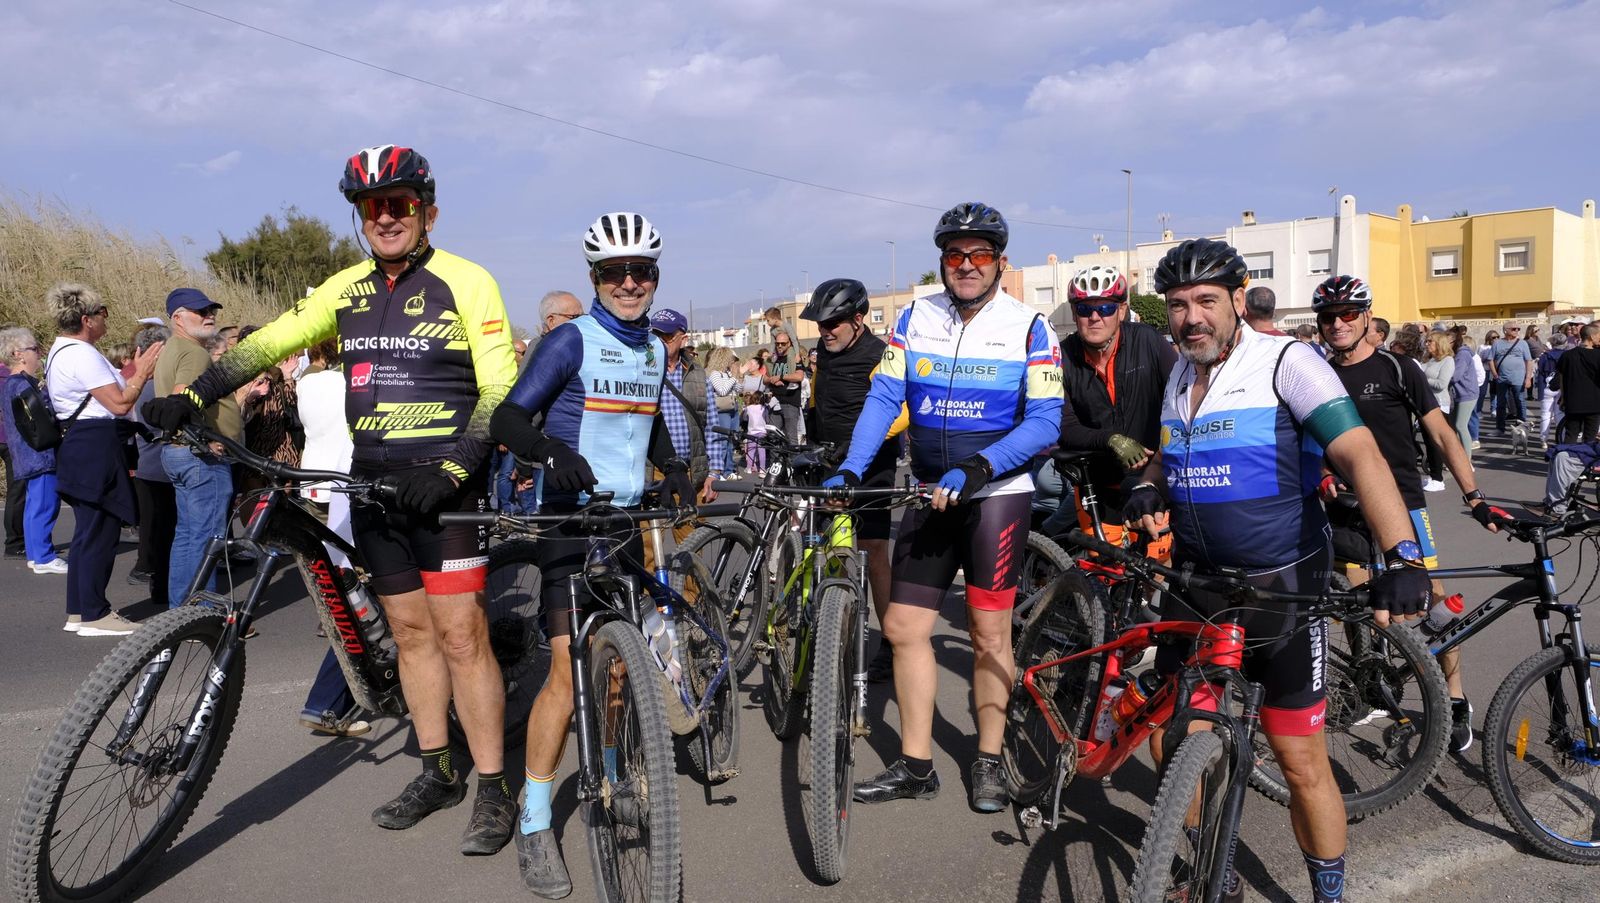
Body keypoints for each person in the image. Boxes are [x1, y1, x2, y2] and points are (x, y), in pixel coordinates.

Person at [144, 145, 520, 855]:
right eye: (372, 206)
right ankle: (438, 769)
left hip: (447, 489)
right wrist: (196, 393)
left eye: (400, 203)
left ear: (426, 211)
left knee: (462, 635)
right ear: (360, 216)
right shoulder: (343, 288)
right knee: (410, 635)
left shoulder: (468, 282)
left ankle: (494, 784)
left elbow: (498, 387)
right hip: (372, 484)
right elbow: (269, 344)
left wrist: (453, 466)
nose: (386, 216)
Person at [1125, 244, 1432, 903]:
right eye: (1177, 305)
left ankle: (1329, 894)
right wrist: (1149, 485)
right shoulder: (1180, 373)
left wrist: (1402, 553)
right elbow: (1166, 454)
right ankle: (1215, 871)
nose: (1190, 317)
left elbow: (1360, 452)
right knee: (1176, 739)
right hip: (1198, 587)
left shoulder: (1287, 363)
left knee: (1300, 762)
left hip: (1282, 592)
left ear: (1239, 300)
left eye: (1206, 301)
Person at [824, 202, 1064, 815]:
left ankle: (986, 758)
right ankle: (916, 762)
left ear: (999, 263)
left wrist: (980, 466)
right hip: (929, 491)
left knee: (988, 633)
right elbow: (884, 395)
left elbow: (1044, 421)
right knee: (904, 629)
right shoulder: (915, 316)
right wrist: (853, 465)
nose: (965, 265)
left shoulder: (1030, 327)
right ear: (942, 262)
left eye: (979, 255)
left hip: (995, 498)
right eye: (954, 255)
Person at [488, 211, 702, 898]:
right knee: (563, 672)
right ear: (596, 279)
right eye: (616, 273)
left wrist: (671, 469)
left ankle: (611, 771)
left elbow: (648, 431)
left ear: (655, 277)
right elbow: (511, 417)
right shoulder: (572, 341)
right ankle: (534, 817)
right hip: (569, 523)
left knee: (617, 668)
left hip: (622, 524)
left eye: (642, 272)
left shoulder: (655, 351)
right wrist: (554, 452)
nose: (630, 282)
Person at [1313, 273, 1505, 755]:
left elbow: (1442, 435)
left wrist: (1475, 496)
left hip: (1403, 505)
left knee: (1436, 608)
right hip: (1344, 511)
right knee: (1359, 610)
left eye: (1348, 314)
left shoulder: (1398, 369)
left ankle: (1455, 697)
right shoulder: (1315, 375)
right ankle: (1367, 687)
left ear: (1365, 317)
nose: (1337, 324)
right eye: (1328, 316)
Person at [801, 278, 906, 681]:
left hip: (873, 463)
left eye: (834, 324)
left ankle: (892, 642)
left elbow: (901, 413)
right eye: (821, 324)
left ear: (858, 320)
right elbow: (816, 399)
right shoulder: (823, 354)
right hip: (830, 462)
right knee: (826, 546)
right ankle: (832, 631)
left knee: (873, 550)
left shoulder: (880, 354)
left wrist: (854, 448)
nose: (825, 331)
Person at [47, 283, 162, 635]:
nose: (106, 321)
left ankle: (80, 610)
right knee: (102, 531)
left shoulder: (61, 350)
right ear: (86, 319)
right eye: (102, 314)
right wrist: (141, 372)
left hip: (81, 444)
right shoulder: (81, 354)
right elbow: (120, 404)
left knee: (88, 531)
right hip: (96, 444)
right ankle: (96, 613)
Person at [1051, 264, 1176, 555]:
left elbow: (1182, 396)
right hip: (1097, 484)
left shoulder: (1147, 341)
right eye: (1084, 309)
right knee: (1107, 571)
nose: (1095, 317)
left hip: (1150, 480)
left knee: (1157, 568)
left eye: (1106, 308)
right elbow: (1065, 427)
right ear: (1074, 313)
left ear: (1121, 311)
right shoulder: (1062, 358)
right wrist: (1111, 439)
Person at [296, 337, 372, 738]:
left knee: (340, 589)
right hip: (348, 489)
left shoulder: (308, 383)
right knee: (361, 598)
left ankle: (328, 698)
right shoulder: (356, 383)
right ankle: (328, 701)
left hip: (313, 485)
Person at [154, 288, 241, 610]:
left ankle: (183, 611)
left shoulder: (175, 348)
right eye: (200, 311)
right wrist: (208, 438)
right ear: (178, 317)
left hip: (181, 451)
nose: (210, 316)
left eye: (211, 310)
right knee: (207, 538)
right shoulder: (193, 352)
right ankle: (203, 612)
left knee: (190, 535)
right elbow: (182, 398)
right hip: (199, 454)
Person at [0, 327, 64, 573]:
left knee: (34, 505)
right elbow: (43, 413)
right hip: (39, 453)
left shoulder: (12, 384)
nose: (40, 353)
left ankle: (37, 554)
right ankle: (44, 557)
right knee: (44, 505)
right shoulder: (21, 384)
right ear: (18, 354)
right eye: (35, 349)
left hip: (26, 454)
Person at [649, 307, 721, 505]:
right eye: (655, 334)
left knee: (694, 534)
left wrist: (714, 473)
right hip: (653, 471)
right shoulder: (642, 371)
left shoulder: (698, 374)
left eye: (668, 335)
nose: (660, 340)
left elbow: (711, 426)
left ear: (684, 339)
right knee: (648, 535)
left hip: (691, 471)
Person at [127, 325, 175, 599]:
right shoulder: (153, 387)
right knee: (162, 532)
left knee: (157, 530)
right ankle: (161, 587)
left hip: (151, 468)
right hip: (158, 469)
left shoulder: (147, 386)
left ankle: (157, 581)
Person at [1420, 330, 1456, 491]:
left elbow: (1442, 384)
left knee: (1436, 442)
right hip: (1426, 403)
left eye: (1430, 341)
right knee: (1428, 441)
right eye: (1427, 341)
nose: (1427, 344)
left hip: (1439, 404)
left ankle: (1438, 478)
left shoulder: (1447, 361)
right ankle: (1433, 474)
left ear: (1439, 344)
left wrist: (1422, 379)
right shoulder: (1429, 360)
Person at [1554, 322, 1600, 443]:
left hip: (1573, 401)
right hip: (1594, 402)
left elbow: (1562, 379)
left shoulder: (1567, 355)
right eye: (1599, 335)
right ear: (1592, 337)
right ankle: (1586, 461)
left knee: (1571, 435)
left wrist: (1563, 398)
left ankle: (1566, 460)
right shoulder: (1598, 355)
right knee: (1590, 437)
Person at [1489, 322, 1533, 433]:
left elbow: (1529, 361)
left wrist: (1528, 378)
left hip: (1518, 378)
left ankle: (1522, 427)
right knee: (1501, 404)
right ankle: (1500, 428)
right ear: (1505, 330)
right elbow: (1490, 360)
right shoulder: (1497, 343)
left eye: (1518, 329)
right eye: (1514, 329)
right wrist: (1494, 374)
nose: (1516, 331)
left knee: (1520, 401)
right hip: (1502, 378)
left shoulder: (1522, 343)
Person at [705, 347, 741, 478]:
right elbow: (721, 391)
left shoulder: (728, 374)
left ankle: (729, 470)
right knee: (723, 441)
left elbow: (739, 389)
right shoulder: (714, 374)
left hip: (733, 408)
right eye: (731, 359)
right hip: (722, 411)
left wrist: (736, 377)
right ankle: (718, 471)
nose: (733, 362)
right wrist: (733, 379)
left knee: (732, 441)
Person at [1448, 329, 1480, 462]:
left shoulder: (1462, 355)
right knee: (1453, 426)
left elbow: (1455, 376)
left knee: (1461, 425)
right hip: (1460, 394)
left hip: (1467, 394)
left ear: (1454, 341)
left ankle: (1466, 460)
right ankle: (1456, 455)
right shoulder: (1458, 354)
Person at [1536, 332, 1570, 448]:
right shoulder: (1568, 355)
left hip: (1547, 386)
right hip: (1563, 387)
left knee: (1545, 414)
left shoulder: (1545, 356)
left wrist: (1540, 392)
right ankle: (1562, 437)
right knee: (1560, 414)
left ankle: (1543, 440)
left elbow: (1540, 374)